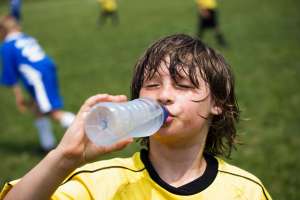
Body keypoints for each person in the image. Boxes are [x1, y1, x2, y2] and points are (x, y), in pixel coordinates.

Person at [0, 34, 272, 199]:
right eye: (152, 85)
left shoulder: (245, 191)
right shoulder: (101, 184)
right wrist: (64, 158)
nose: (163, 95)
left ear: (218, 104)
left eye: (184, 85)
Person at [0, 15, 75, 152]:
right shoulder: (25, 37)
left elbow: (11, 76)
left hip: (37, 78)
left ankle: (85, 131)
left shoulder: (6, 47)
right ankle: (47, 145)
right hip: (47, 70)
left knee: (53, 112)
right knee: (37, 108)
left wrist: (18, 97)